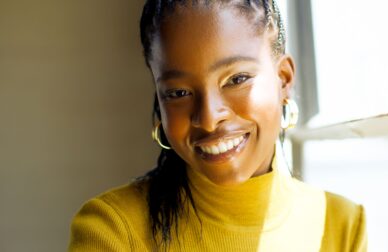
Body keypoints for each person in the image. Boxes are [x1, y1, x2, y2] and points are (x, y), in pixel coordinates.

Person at [68, 0, 367, 251]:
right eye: (179, 93)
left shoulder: (340, 225)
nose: (209, 118)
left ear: (284, 79)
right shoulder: (112, 230)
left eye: (236, 80)